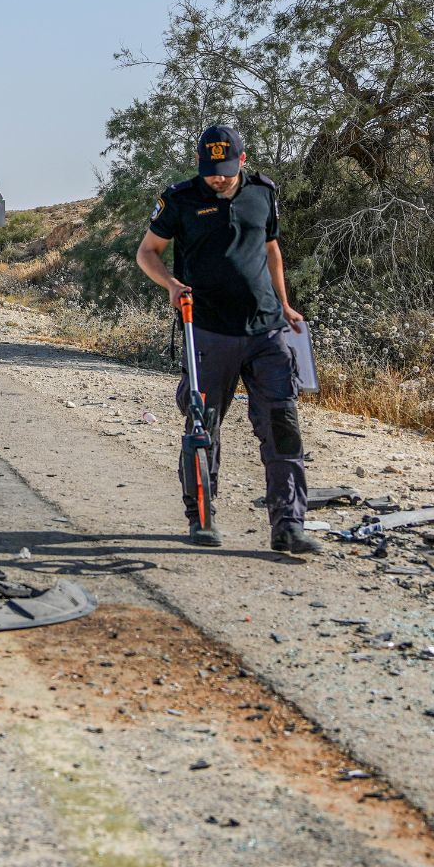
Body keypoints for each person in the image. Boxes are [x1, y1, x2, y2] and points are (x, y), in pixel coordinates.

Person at [135, 125, 318, 554]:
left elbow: (271, 249)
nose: (218, 178)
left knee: (282, 427)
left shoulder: (263, 193)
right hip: (209, 330)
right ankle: (201, 516)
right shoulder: (179, 199)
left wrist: (285, 303)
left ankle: (289, 526)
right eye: (211, 170)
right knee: (203, 426)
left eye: (226, 170)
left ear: (243, 160)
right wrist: (171, 285)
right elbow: (147, 252)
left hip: (266, 329)